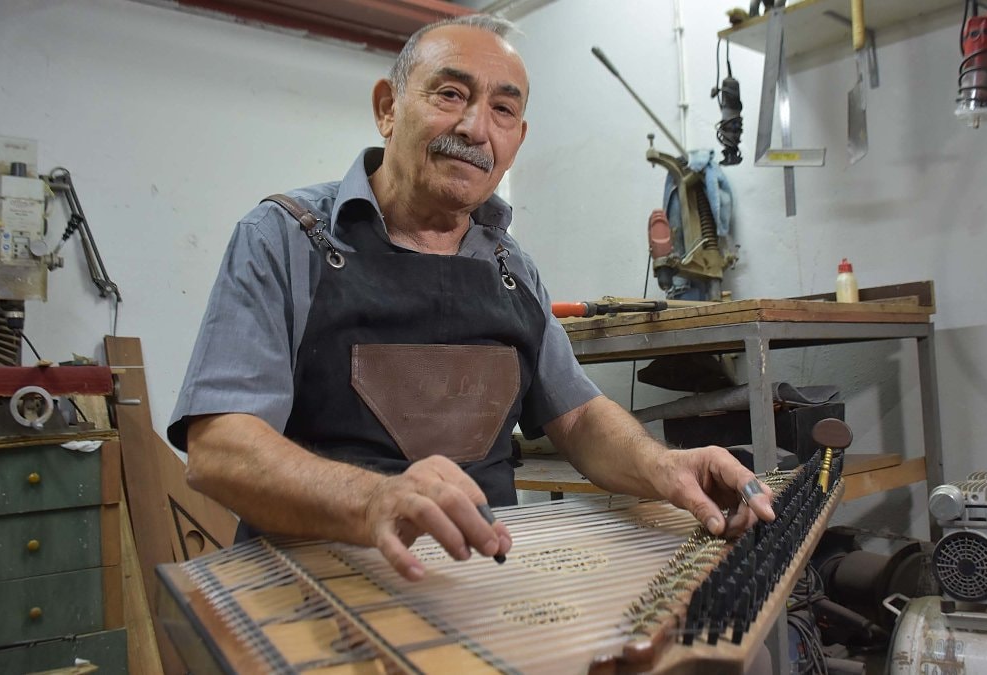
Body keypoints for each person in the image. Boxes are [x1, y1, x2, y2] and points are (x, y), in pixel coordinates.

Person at [168, 14, 774, 583]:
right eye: (450, 95)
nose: (476, 129)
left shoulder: (511, 265)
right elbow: (220, 449)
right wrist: (372, 500)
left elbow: (580, 417)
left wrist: (665, 466)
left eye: (503, 109)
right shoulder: (283, 238)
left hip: (480, 581)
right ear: (387, 108)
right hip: (313, 584)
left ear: (518, 137)